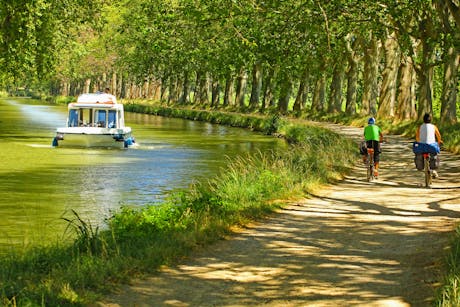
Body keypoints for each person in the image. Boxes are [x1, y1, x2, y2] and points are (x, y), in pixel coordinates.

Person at [415, 113, 442, 178]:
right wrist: (439, 141)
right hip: (432, 146)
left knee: (419, 155)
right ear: (431, 120)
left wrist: (419, 142)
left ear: (423, 120)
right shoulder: (434, 127)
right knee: (434, 156)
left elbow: (417, 137)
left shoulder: (420, 127)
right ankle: (434, 170)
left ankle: (421, 167)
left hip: (422, 146)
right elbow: (438, 136)